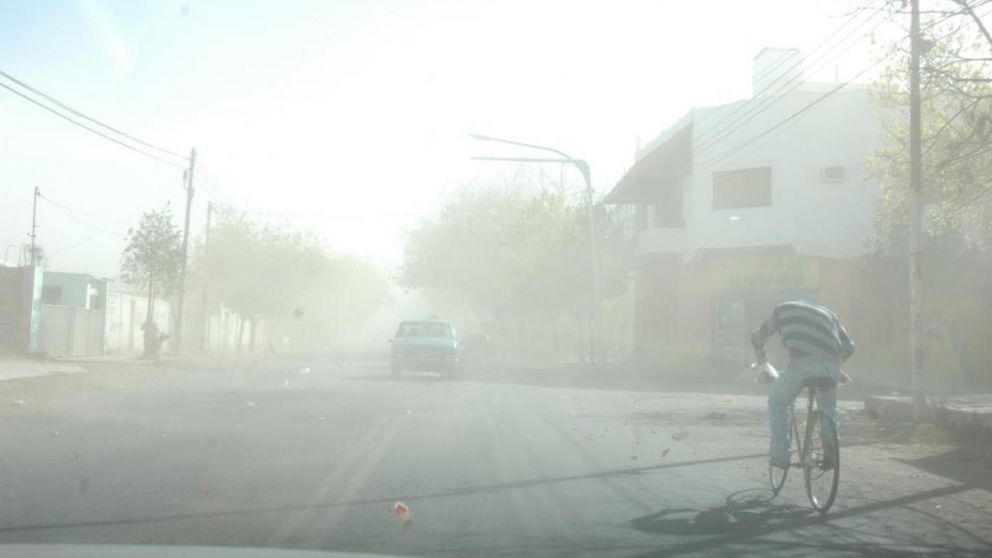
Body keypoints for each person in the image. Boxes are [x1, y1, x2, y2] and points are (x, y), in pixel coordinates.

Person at [751, 300, 855, 470]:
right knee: (829, 410)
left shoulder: (782, 310)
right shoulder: (829, 313)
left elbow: (757, 337)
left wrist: (762, 361)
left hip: (802, 364)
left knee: (777, 402)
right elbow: (850, 346)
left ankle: (782, 455)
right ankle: (830, 452)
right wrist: (838, 365)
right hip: (832, 365)